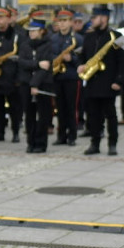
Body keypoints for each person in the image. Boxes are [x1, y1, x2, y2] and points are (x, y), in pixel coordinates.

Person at [78, 5, 124, 156]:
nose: (92, 20)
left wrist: (119, 81)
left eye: (94, 18)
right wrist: (81, 65)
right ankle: (95, 143)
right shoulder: (89, 36)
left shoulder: (119, 36)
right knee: (93, 116)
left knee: (110, 115)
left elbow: (123, 62)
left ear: (104, 18)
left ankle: (112, 144)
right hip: (92, 82)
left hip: (109, 83)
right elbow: (83, 56)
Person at [18, 19, 55, 153]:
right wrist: (37, 64)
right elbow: (22, 63)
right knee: (29, 115)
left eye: (34, 31)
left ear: (41, 31)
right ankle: (31, 142)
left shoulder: (48, 45)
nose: (31, 33)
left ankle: (41, 143)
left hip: (42, 84)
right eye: (30, 31)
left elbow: (46, 67)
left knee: (43, 115)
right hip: (26, 84)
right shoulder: (25, 45)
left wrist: (35, 84)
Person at [0, 7, 23, 143]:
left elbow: (21, 56)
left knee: (14, 107)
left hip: (11, 77)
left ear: (9, 19)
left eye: (2, 17)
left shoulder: (16, 36)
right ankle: (0, 132)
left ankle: (15, 132)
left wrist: (18, 78)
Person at [50, 9, 82, 147]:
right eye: (60, 21)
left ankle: (72, 136)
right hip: (57, 76)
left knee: (71, 108)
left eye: (65, 21)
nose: (62, 24)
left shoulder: (77, 39)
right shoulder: (53, 38)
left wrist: (71, 59)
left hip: (71, 77)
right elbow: (49, 54)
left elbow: (82, 59)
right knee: (60, 108)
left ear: (70, 22)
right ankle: (61, 135)